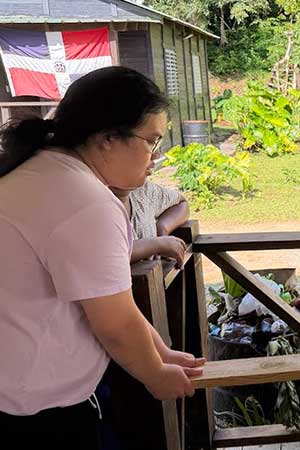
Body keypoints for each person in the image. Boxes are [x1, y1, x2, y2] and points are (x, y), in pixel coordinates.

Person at [0, 66, 204, 448]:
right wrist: (156, 376)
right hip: (36, 413)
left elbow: (109, 301)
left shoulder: (42, 173)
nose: (156, 157)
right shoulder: (86, 202)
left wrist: (161, 353)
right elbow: (116, 324)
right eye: (151, 141)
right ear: (108, 138)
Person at [110, 181, 190, 264]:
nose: (151, 167)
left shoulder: (143, 191)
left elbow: (181, 203)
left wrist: (162, 228)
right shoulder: (98, 204)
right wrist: (157, 244)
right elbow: (109, 254)